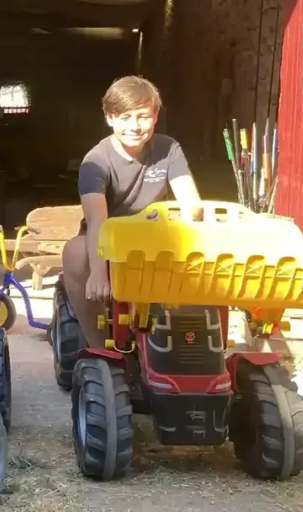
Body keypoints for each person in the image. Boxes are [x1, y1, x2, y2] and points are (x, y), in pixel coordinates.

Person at [61, 76, 202, 348]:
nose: (135, 126)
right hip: (109, 243)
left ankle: (184, 340)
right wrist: (98, 272)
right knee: (75, 253)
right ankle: (99, 346)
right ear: (110, 118)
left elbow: (191, 204)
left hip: (154, 237)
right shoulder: (95, 162)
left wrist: (185, 217)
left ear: (155, 117)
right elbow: (97, 220)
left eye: (143, 117)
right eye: (125, 117)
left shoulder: (168, 149)